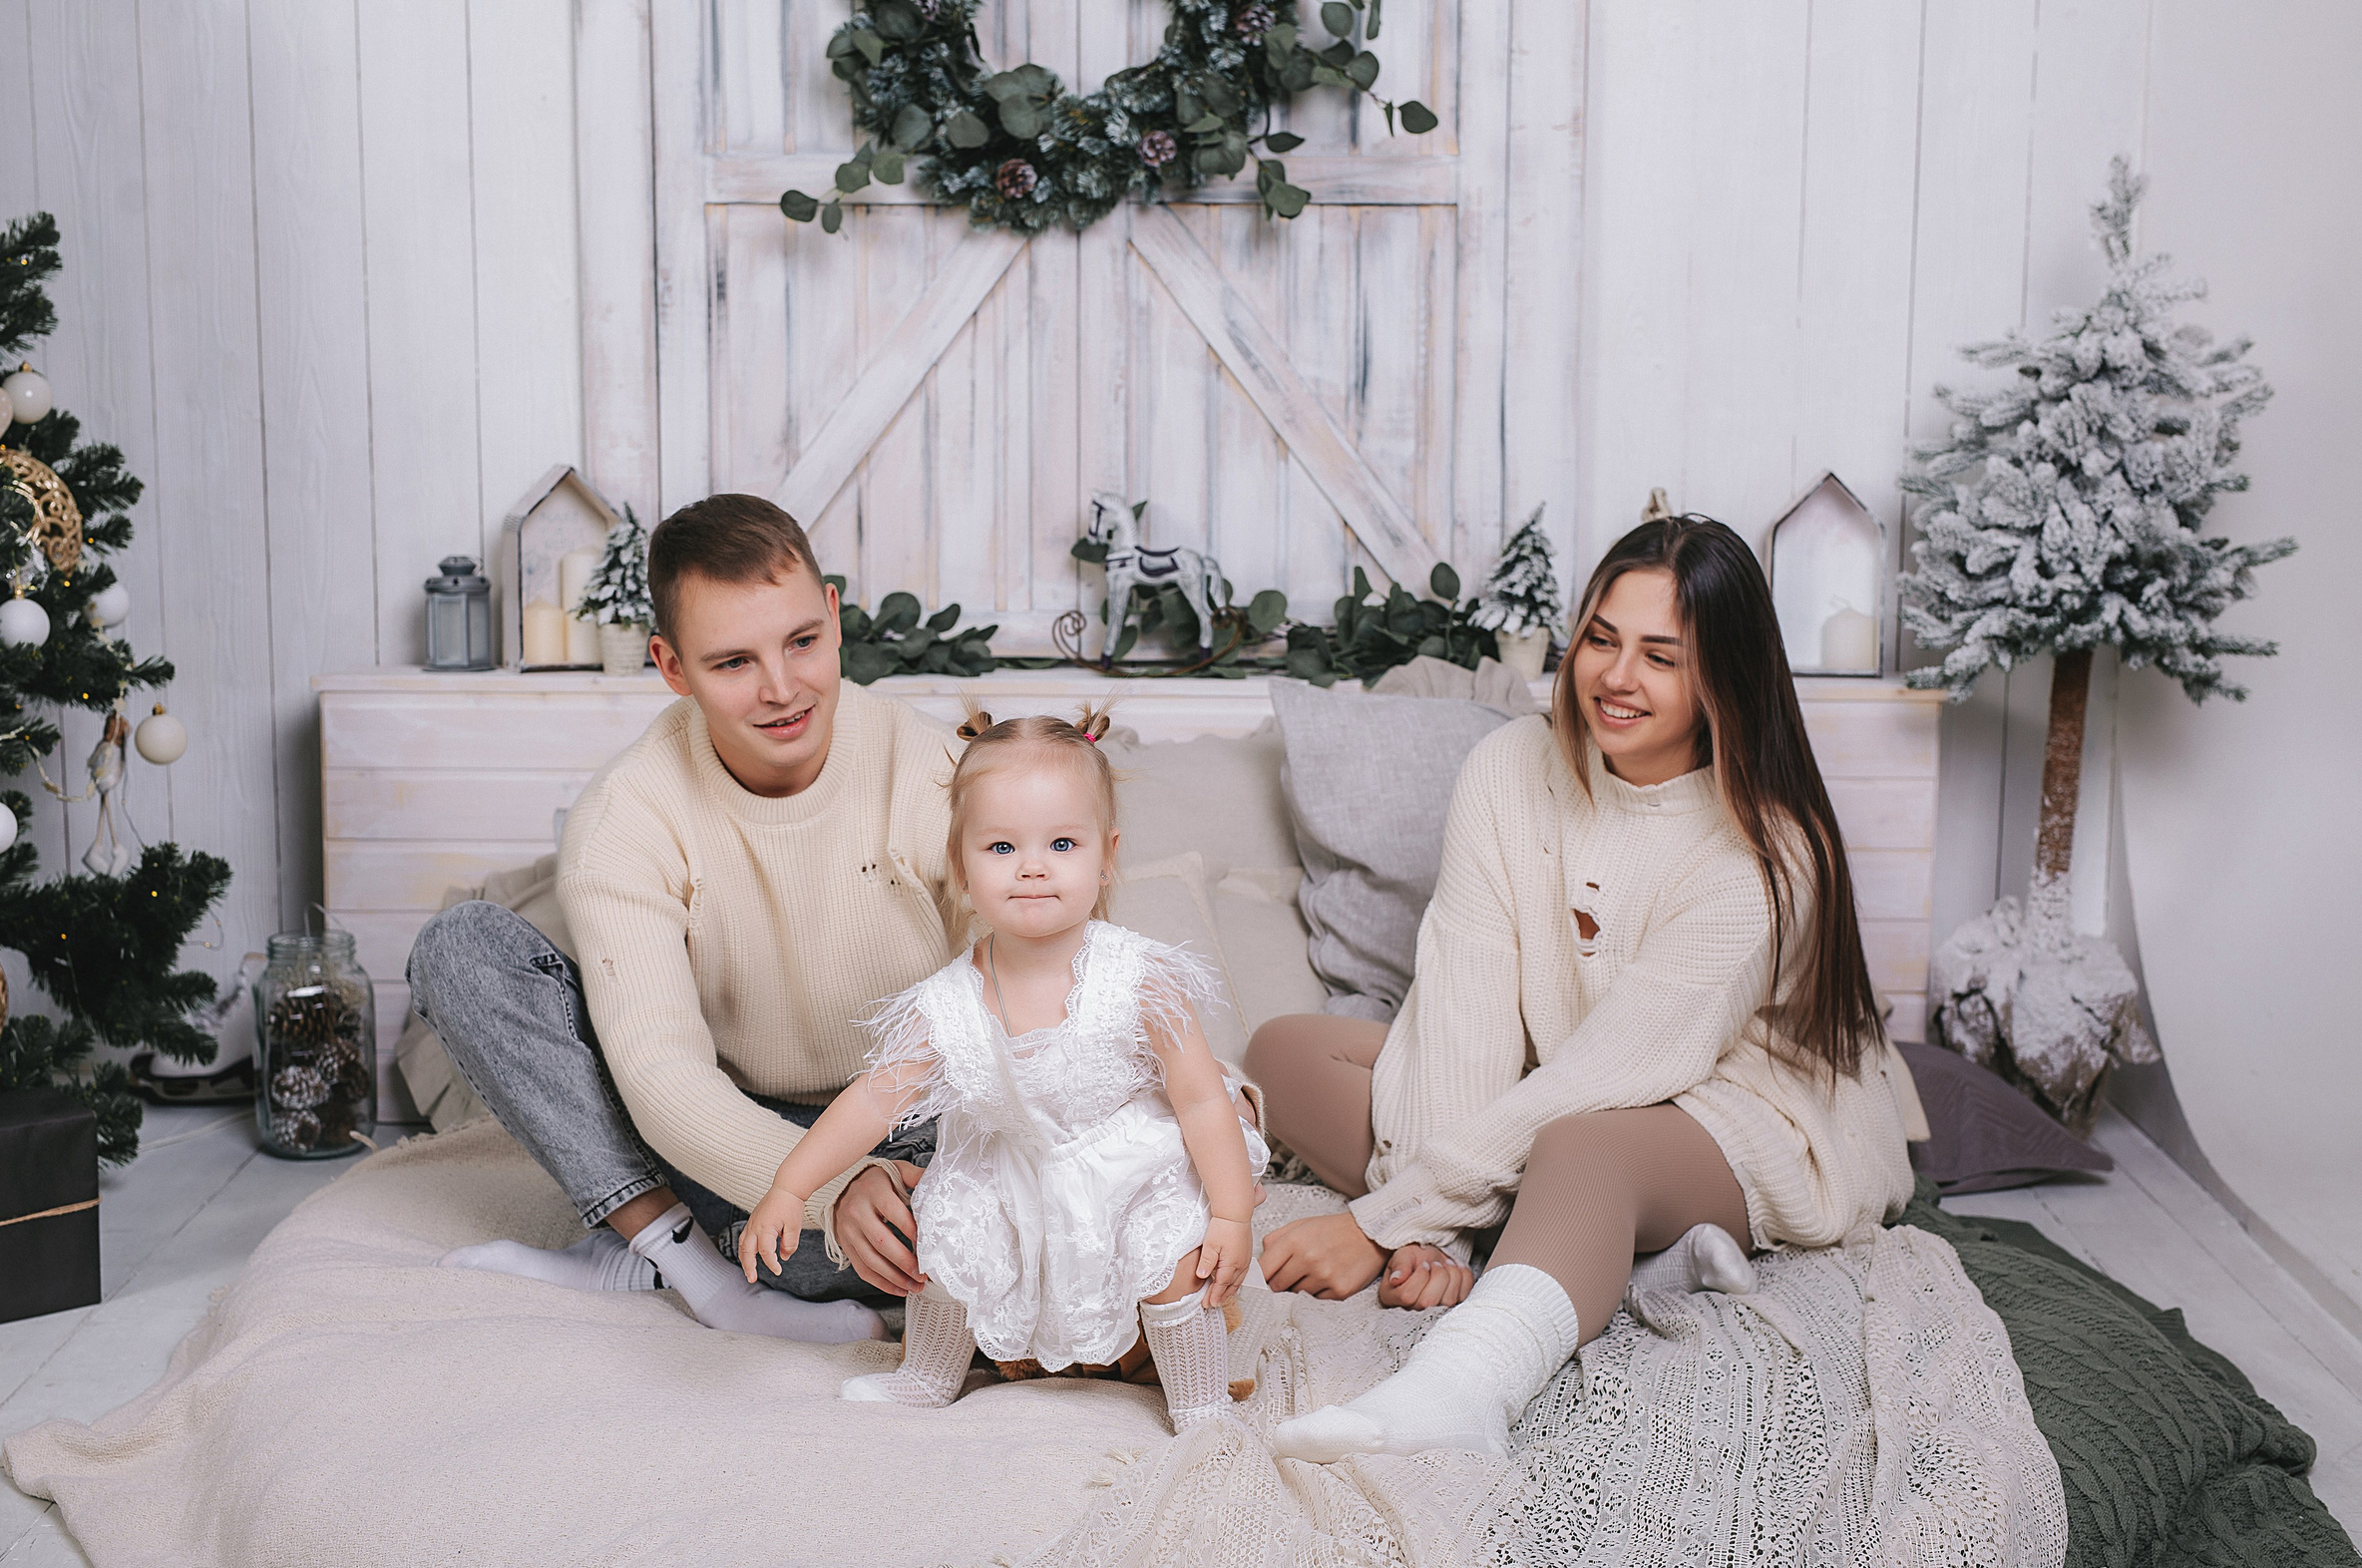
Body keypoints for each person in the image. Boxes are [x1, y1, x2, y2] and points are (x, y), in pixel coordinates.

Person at [1251, 515, 1917, 1461]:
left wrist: (1380, 1219)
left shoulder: (1765, 855)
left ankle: (1458, 1393)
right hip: (1559, 1080)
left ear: (1722, 676)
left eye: (1661, 656)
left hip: (1731, 1110)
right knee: (1284, 1050)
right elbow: (1464, 1000)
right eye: (1601, 638)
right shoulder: (1510, 767)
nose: (1616, 676)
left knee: (1584, 1147)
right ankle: (1594, 1243)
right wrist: (1431, 1227)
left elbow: (1615, 1072)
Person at [410, 494, 960, 1344]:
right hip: (720, 1143)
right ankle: (700, 1271)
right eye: (734, 662)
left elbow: (1046, 995)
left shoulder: (931, 767)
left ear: (834, 619)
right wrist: (828, 1188)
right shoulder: (627, 812)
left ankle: (662, 1251)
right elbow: (662, 1077)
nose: (782, 689)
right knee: (459, 948)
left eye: (802, 642)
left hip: (912, 1134)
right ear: (671, 667)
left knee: (993, 1222)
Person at [739, 709, 1268, 1432]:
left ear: (1106, 855)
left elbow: (1202, 1100)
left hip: (1127, 1162)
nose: (1032, 865)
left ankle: (1201, 1405)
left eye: (1061, 842)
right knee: (950, 1231)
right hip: (1015, 1170)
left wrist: (1231, 1212)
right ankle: (925, 1375)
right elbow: (873, 1100)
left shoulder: (1139, 978)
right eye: (1000, 845)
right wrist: (790, 1186)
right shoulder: (947, 1003)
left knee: (1172, 1255)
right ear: (962, 866)